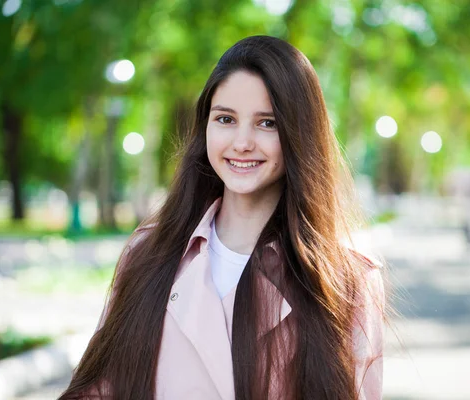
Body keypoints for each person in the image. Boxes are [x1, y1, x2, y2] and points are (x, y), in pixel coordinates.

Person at [59, 35, 385, 400]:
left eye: (267, 123)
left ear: (299, 133)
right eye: (226, 119)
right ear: (206, 127)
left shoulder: (347, 280)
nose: (242, 142)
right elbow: (99, 389)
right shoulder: (149, 253)